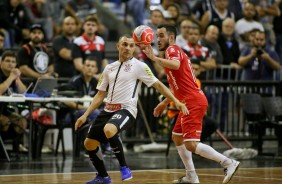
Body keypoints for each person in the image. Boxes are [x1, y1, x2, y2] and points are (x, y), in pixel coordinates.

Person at [75, 35, 188, 184]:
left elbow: (158, 85)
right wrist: (85, 115)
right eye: (125, 45)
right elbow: (100, 94)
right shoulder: (109, 68)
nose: (128, 48)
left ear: (134, 48)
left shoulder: (139, 66)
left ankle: (124, 166)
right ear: (118, 46)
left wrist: (176, 101)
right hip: (108, 109)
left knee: (109, 130)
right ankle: (103, 177)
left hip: (127, 110)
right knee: (89, 143)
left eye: (131, 45)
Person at [142, 24, 240, 184]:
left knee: (191, 144)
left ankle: (228, 163)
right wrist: (165, 102)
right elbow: (176, 87)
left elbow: (175, 64)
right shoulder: (171, 54)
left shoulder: (171, 50)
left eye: (161, 35)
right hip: (188, 100)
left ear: (171, 37)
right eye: (156, 36)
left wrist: (154, 59)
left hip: (193, 101)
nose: (157, 39)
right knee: (177, 137)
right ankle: (191, 175)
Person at [0, 51, 28, 152]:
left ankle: (13, 148)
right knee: (4, 121)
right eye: (7, 61)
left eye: (13, 62)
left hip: (4, 109)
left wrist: (17, 79)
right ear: (1, 63)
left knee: (22, 122)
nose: (10, 64)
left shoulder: (13, 76)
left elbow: (23, 92)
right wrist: (11, 78)